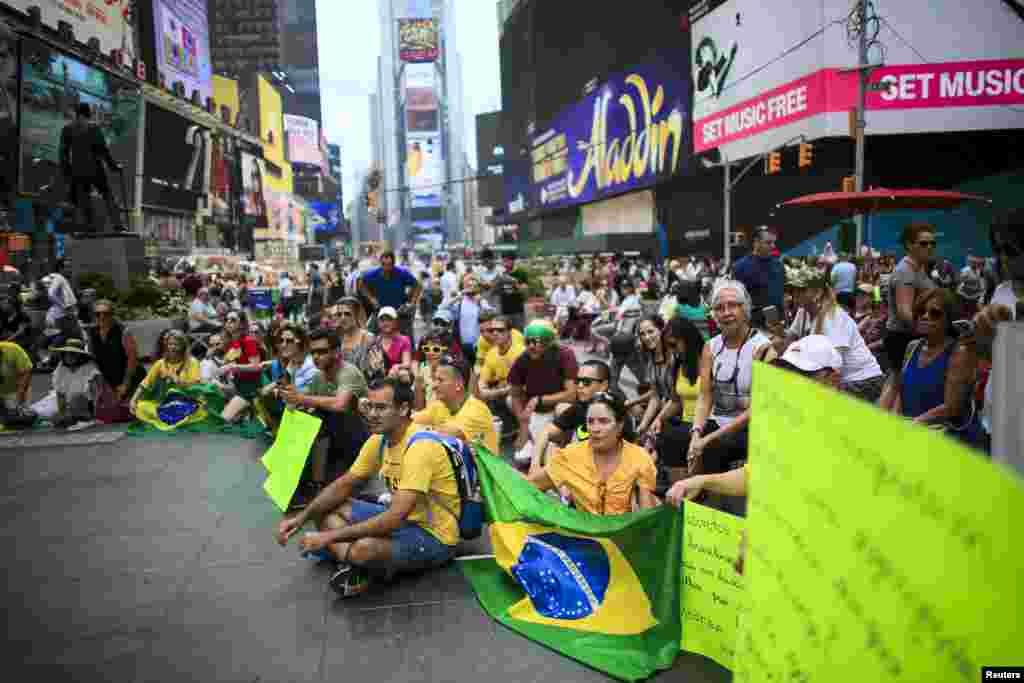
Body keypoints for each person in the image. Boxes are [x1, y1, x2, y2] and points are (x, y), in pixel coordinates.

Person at [275, 378, 461, 598]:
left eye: (381, 408)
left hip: (434, 536)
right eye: (370, 406)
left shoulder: (420, 448)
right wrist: (301, 518)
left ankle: (360, 561)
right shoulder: (379, 440)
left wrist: (329, 538)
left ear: (403, 409)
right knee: (327, 508)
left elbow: (393, 518)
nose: (372, 414)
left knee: (364, 548)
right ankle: (362, 564)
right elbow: (344, 484)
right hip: (404, 521)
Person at [687, 280, 775, 516]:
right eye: (720, 307)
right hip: (719, 423)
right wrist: (696, 432)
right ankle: (696, 512)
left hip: (751, 427)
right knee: (683, 442)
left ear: (744, 308)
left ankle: (719, 515)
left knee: (712, 446)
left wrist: (707, 439)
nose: (726, 313)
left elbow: (759, 409)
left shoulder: (763, 348)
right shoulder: (711, 347)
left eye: (732, 306)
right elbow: (705, 395)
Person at [525, 391, 659, 514]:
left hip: (622, 536)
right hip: (582, 535)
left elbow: (646, 516)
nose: (595, 429)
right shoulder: (570, 456)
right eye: (590, 421)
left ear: (619, 426)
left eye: (603, 421)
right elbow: (529, 486)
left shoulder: (639, 457)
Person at [281, 328, 369, 507]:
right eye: (313, 352)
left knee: (332, 415)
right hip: (333, 440)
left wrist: (302, 398)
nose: (316, 357)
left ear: (337, 352)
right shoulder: (318, 376)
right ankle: (308, 482)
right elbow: (300, 402)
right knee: (305, 418)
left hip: (358, 440)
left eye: (322, 352)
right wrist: (289, 396)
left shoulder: (348, 372)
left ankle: (318, 483)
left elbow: (340, 404)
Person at [770, 275, 885, 403]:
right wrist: (779, 333)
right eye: (793, 290)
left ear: (818, 292)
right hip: (834, 378)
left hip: (863, 381)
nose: (795, 294)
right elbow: (789, 345)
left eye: (801, 290)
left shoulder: (833, 316)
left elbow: (834, 366)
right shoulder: (803, 313)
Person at [881, 289, 978, 440]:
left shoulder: (959, 353)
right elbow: (902, 390)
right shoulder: (912, 347)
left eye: (935, 313)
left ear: (948, 320)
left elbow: (951, 407)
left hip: (940, 435)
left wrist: (914, 424)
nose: (925, 316)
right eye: (921, 311)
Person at [526, 359, 613, 477]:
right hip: (584, 463)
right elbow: (546, 432)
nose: (580, 386)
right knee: (552, 447)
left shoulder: (614, 412)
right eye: (578, 381)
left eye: (586, 382)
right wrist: (535, 464)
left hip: (605, 474)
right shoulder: (582, 406)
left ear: (603, 385)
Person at [509, 320, 579, 463]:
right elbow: (515, 393)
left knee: (563, 409)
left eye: (538, 342)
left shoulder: (565, 354)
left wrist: (539, 399)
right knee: (523, 458)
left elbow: (571, 394)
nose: (532, 346)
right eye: (528, 342)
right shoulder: (522, 359)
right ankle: (531, 439)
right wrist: (523, 423)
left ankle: (566, 444)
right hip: (537, 411)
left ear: (549, 342)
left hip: (558, 408)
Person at [650, 317, 706, 486]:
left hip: (704, 424)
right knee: (663, 435)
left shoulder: (708, 360)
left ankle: (688, 491)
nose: (672, 351)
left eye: (674, 345)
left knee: (674, 439)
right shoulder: (679, 365)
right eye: (669, 346)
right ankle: (679, 493)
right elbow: (676, 401)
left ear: (688, 340)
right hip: (685, 423)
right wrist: (658, 419)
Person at [412, 355, 498, 453]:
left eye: (440, 380)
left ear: (458, 385)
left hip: (478, 467)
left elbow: (449, 434)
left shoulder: (476, 412)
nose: (434, 386)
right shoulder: (439, 405)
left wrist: (423, 430)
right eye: (434, 379)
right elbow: (410, 422)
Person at [59, 102, 123, 232]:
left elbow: (63, 153)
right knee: (107, 195)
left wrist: (67, 171)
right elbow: (103, 151)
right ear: (87, 114)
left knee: (84, 198)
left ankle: (90, 226)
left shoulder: (67, 129)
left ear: (77, 113)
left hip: (78, 170)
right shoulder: (94, 128)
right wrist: (114, 166)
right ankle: (117, 225)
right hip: (96, 169)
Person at [884, 223, 937, 373]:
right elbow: (904, 313)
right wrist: (933, 328)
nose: (929, 247)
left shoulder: (918, 268)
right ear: (909, 245)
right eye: (923, 243)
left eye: (933, 243)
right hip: (904, 338)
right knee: (898, 385)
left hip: (909, 336)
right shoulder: (906, 272)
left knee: (897, 384)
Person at [129, 329, 206, 431]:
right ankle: (168, 419)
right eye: (170, 344)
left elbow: (197, 386)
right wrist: (133, 400)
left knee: (196, 411)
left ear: (183, 346)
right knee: (141, 406)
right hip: (165, 405)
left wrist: (178, 381)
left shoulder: (192, 362)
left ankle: (168, 420)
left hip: (188, 404)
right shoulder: (160, 364)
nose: (173, 347)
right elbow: (145, 384)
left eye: (176, 344)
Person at [37, 338, 103, 429]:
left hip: (86, 405)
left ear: (80, 355)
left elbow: (97, 393)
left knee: (77, 400)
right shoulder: (61, 369)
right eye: (67, 354)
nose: (69, 356)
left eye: (73, 354)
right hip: (66, 405)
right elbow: (60, 394)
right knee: (47, 415)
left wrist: (95, 414)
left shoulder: (89, 368)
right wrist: (62, 413)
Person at [359, 251, 421, 339]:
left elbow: (417, 285)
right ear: (381, 263)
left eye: (389, 264)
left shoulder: (402, 273)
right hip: (380, 312)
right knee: (369, 336)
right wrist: (371, 298)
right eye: (384, 264)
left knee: (407, 338)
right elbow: (361, 284)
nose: (386, 267)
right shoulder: (373, 274)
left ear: (393, 264)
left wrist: (412, 303)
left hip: (399, 312)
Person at [733, 227, 785, 327]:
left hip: (777, 324)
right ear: (756, 242)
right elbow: (737, 299)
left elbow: (782, 296)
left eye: (774, 242)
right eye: (768, 243)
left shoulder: (779, 266)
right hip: (753, 324)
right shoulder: (740, 267)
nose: (773, 246)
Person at [218, 311, 264, 423]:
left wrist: (232, 367)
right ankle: (245, 413)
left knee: (223, 419)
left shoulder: (248, 341)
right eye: (227, 320)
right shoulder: (233, 342)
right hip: (236, 386)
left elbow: (256, 366)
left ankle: (249, 408)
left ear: (242, 324)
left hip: (249, 389)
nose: (228, 323)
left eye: (233, 320)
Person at [441, 273, 493, 369]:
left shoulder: (481, 300)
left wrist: (480, 301)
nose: (471, 287)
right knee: (467, 369)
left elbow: (491, 313)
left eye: (473, 285)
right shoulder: (460, 301)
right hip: (463, 343)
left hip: (480, 343)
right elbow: (444, 307)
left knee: (479, 369)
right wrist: (459, 296)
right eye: (468, 285)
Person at [372, 307, 413, 380]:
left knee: (403, 373)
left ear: (395, 322)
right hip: (379, 378)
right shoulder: (375, 341)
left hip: (398, 377)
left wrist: (397, 366)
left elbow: (407, 364)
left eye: (389, 319)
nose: (385, 323)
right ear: (378, 323)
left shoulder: (404, 340)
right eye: (382, 320)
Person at [412, 331, 450, 409]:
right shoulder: (422, 371)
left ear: (444, 351)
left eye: (436, 349)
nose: (431, 353)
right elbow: (419, 407)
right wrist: (418, 386)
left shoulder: (452, 371)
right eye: (427, 349)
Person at [0, 340, 32, 420]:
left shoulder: (13, 349)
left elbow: (26, 372)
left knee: (16, 416)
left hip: (14, 390)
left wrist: (20, 393)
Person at [496, 254, 529, 330]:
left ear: (512, 261)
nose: (505, 263)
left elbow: (525, 290)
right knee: (505, 334)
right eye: (503, 261)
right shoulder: (500, 273)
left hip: (517, 311)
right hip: (504, 311)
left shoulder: (520, 272)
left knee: (518, 333)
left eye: (507, 260)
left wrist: (514, 282)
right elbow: (497, 291)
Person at [956, 255, 987, 319]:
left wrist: (982, 294)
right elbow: (960, 281)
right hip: (965, 295)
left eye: (977, 263)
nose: (976, 264)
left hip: (975, 295)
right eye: (973, 263)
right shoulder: (965, 270)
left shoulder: (980, 271)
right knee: (965, 312)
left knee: (975, 311)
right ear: (970, 263)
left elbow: (982, 282)